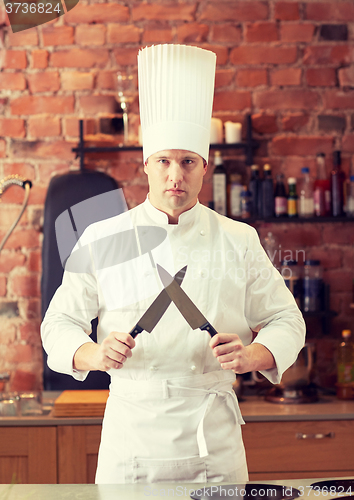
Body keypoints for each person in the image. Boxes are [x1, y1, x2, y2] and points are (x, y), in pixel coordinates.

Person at [41, 44, 306, 484]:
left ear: (205, 167)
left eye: (187, 162)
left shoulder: (238, 239)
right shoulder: (102, 238)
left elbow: (286, 321)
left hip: (214, 449)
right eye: (164, 161)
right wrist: (94, 353)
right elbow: (58, 326)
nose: (175, 176)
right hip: (132, 446)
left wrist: (250, 355)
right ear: (146, 165)